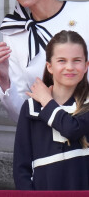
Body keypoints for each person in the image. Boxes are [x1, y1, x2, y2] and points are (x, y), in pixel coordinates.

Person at [13, 30, 89, 190]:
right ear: (50, 66)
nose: (70, 67)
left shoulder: (87, 104)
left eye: (77, 60)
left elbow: (72, 129)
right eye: (62, 60)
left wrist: (47, 101)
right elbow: (21, 169)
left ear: (86, 66)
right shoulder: (31, 108)